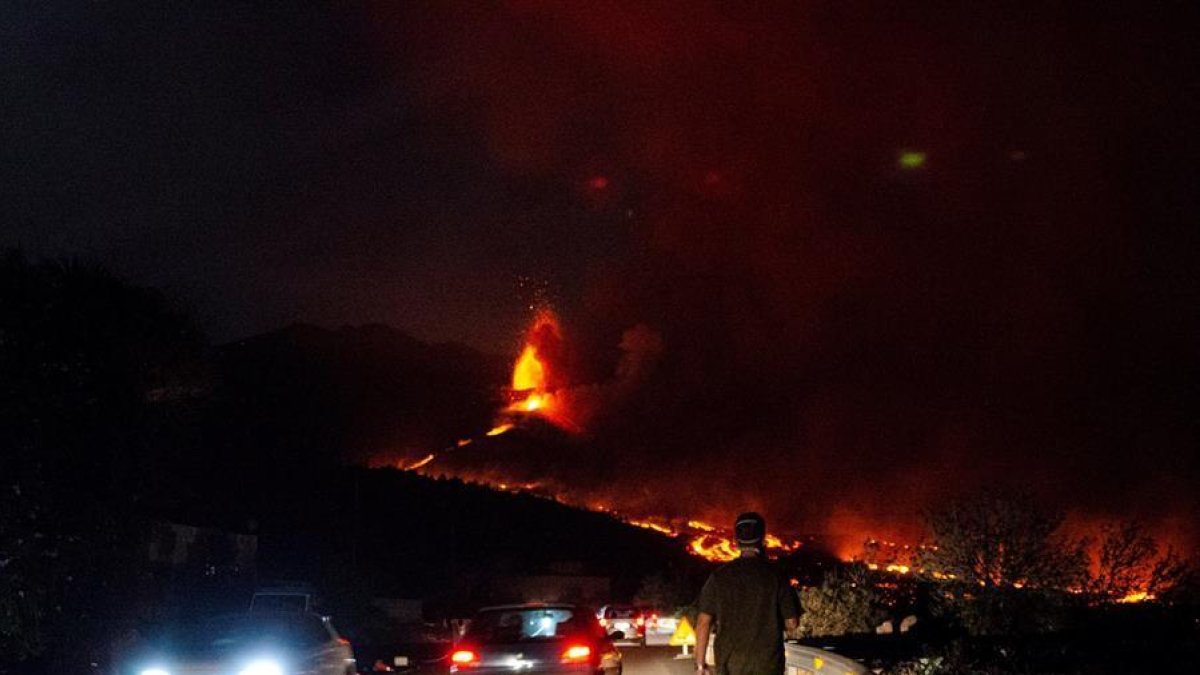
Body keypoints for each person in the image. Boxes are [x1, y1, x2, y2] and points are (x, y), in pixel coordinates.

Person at [695, 512, 800, 675]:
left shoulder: (719, 577)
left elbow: (703, 623)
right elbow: (792, 623)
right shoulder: (776, 576)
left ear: (736, 541)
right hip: (767, 665)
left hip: (730, 665)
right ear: (763, 538)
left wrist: (700, 665)